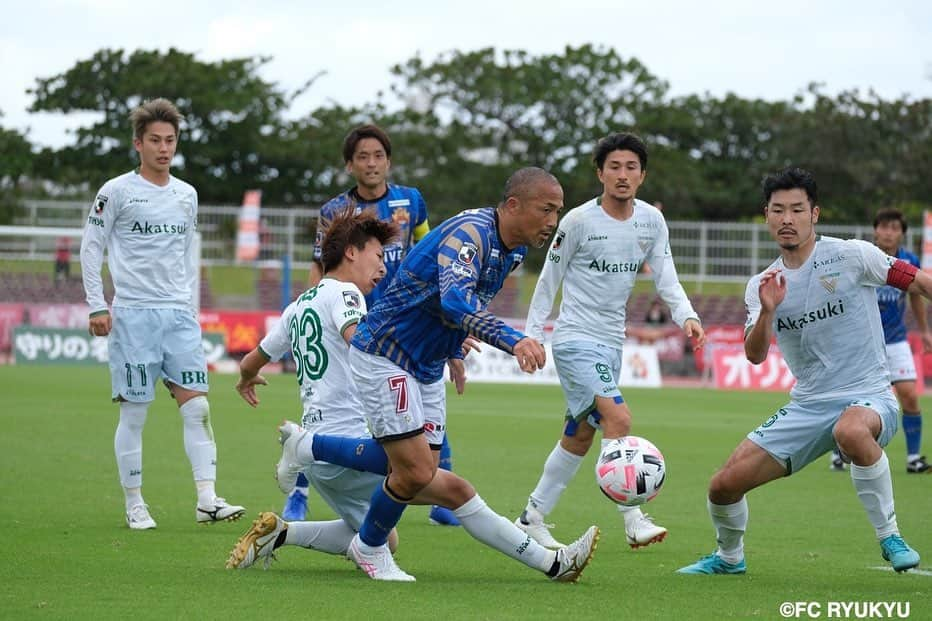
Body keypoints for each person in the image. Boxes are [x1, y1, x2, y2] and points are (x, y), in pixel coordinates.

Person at [275, 167, 600, 582]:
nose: (553, 221)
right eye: (547, 209)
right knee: (412, 473)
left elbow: (456, 309)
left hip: (426, 364)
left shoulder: (512, 251)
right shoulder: (471, 236)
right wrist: (514, 340)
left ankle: (553, 565)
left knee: (438, 482)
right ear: (514, 205)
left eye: (558, 211)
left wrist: (451, 351)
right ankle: (368, 545)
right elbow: (455, 302)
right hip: (387, 354)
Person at [678, 166, 923, 575]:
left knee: (850, 429)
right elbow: (755, 356)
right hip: (808, 407)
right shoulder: (762, 282)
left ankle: (890, 536)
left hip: (870, 397)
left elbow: (917, 281)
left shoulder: (852, 255)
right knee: (722, 486)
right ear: (767, 216)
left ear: (815, 214)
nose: (787, 219)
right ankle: (729, 558)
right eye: (778, 210)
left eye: (796, 209)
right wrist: (768, 312)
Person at [514, 132, 705, 551]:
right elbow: (550, 280)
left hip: (610, 342)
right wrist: (533, 335)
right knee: (618, 420)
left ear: (642, 176)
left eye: (631, 167)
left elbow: (666, 274)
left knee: (580, 435)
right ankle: (633, 518)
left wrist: (686, 315)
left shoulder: (651, 222)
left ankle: (531, 516)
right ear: (600, 173)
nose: (622, 175)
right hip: (575, 340)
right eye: (614, 167)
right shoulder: (578, 221)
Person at [79, 98, 244, 530]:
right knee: (134, 413)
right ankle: (134, 502)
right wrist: (97, 303)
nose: (164, 148)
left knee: (198, 408)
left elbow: (187, 253)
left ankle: (207, 498)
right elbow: (91, 247)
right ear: (138, 144)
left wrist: (193, 307)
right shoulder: (115, 192)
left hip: (180, 316)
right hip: (133, 315)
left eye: (170, 140)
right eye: (155, 140)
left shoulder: (187, 194)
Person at [285, 124, 461, 527]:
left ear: (389, 161)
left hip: (403, 326)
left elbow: (432, 249)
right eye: (362, 156)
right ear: (350, 165)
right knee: (331, 409)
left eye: (378, 155)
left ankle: (439, 498)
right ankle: (298, 492)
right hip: (352, 327)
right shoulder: (334, 211)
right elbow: (321, 264)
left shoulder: (411, 201)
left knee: (420, 401)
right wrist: (311, 309)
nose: (371, 163)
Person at [227, 208, 402, 569]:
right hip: (348, 443)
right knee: (424, 475)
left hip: (317, 445)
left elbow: (250, 362)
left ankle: (280, 533)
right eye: (379, 256)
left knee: (385, 535)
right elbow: (359, 339)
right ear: (351, 252)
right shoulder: (347, 293)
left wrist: (246, 380)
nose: (383, 268)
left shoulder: (297, 306)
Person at [830, 208, 932, 473]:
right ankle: (840, 451)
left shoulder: (908, 260)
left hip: (896, 339)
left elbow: (916, 296)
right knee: (847, 398)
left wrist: (924, 330)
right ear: (875, 230)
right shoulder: (862, 256)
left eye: (894, 228)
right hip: (860, 341)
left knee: (909, 396)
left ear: (901, 233)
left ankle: (913, 458)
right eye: (884, 227)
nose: (888, 232)